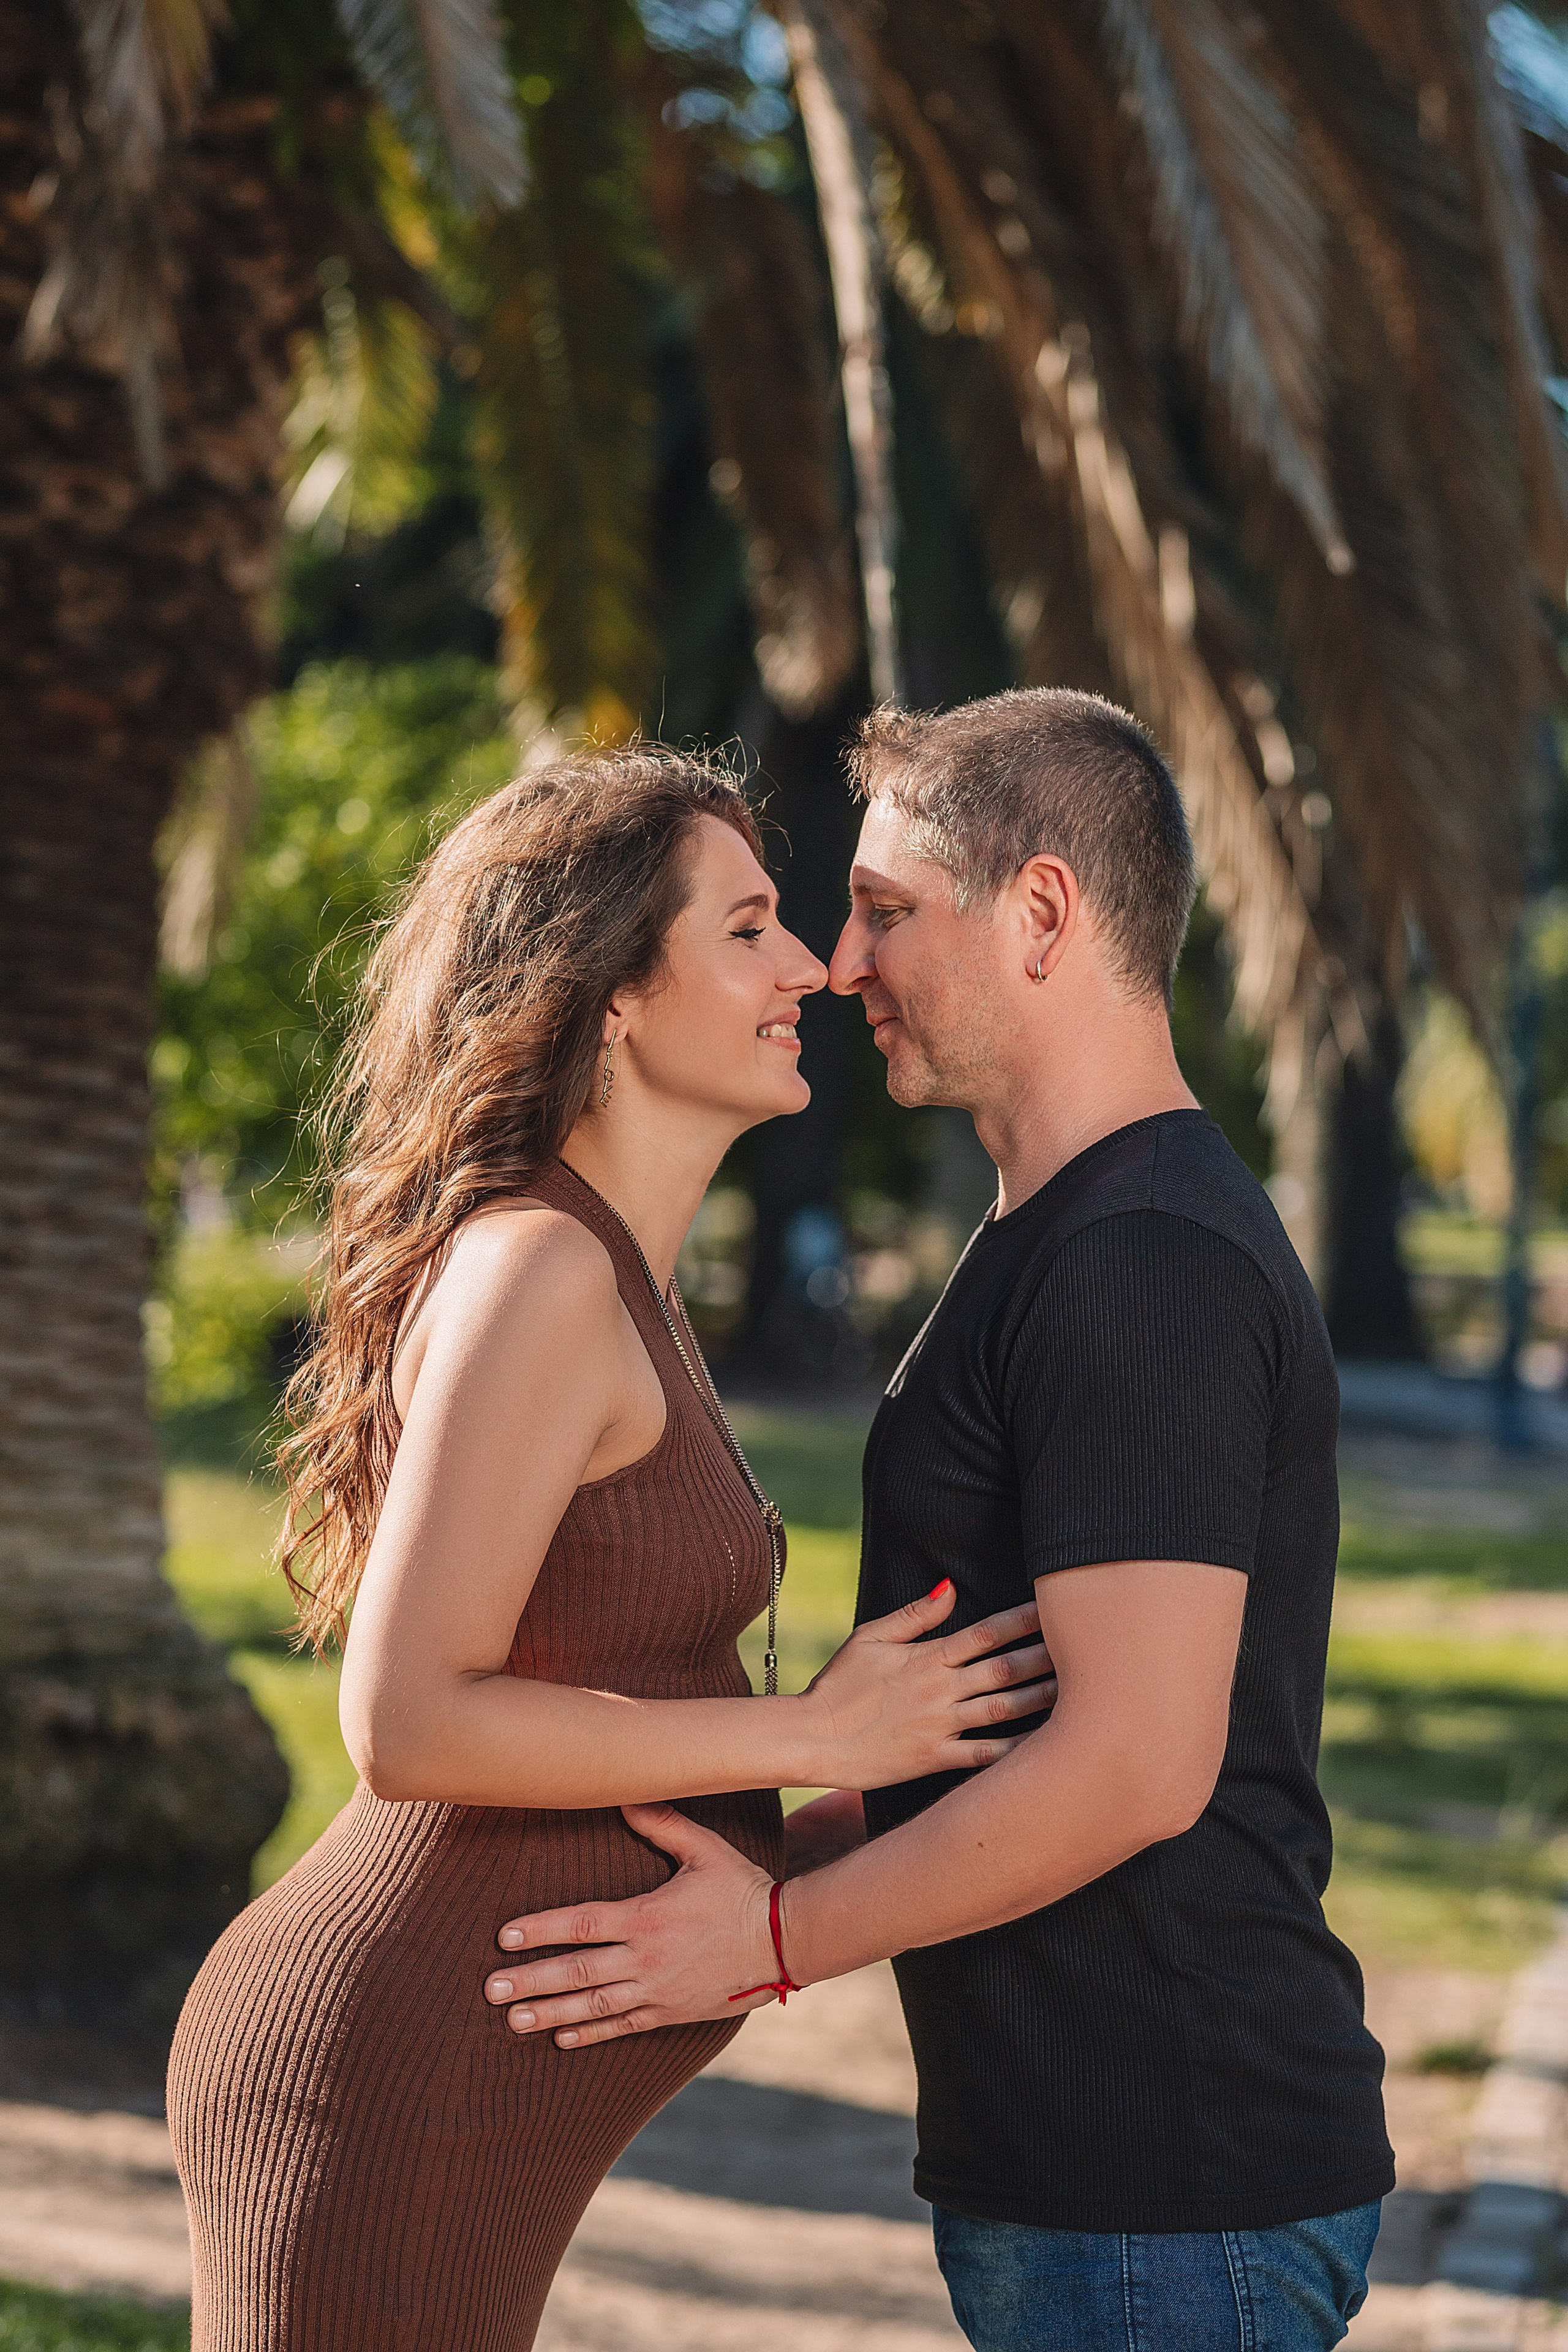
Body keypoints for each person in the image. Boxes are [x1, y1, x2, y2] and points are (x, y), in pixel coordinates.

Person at [483, 692, 1396, 2352]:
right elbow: (1007, 1720)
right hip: (1101, 2192)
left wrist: (767, 1941)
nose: (842, 962)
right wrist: (770, 1847)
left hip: (1165, 2196)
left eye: (887, 910)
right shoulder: (1059, 1232)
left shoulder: (1145, 1259)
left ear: (1044, 913)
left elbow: (1134, 1765)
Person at [165, 746, 1050, 2352]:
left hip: (461, 2084)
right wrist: (813, 1729)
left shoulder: (624, 1285)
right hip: (387, 2075)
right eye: (749, 928)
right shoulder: (542, 1278)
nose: (810, 967)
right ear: (613, 995)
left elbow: (618, 1723)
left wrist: (912, 1775)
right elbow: (409, 1719)